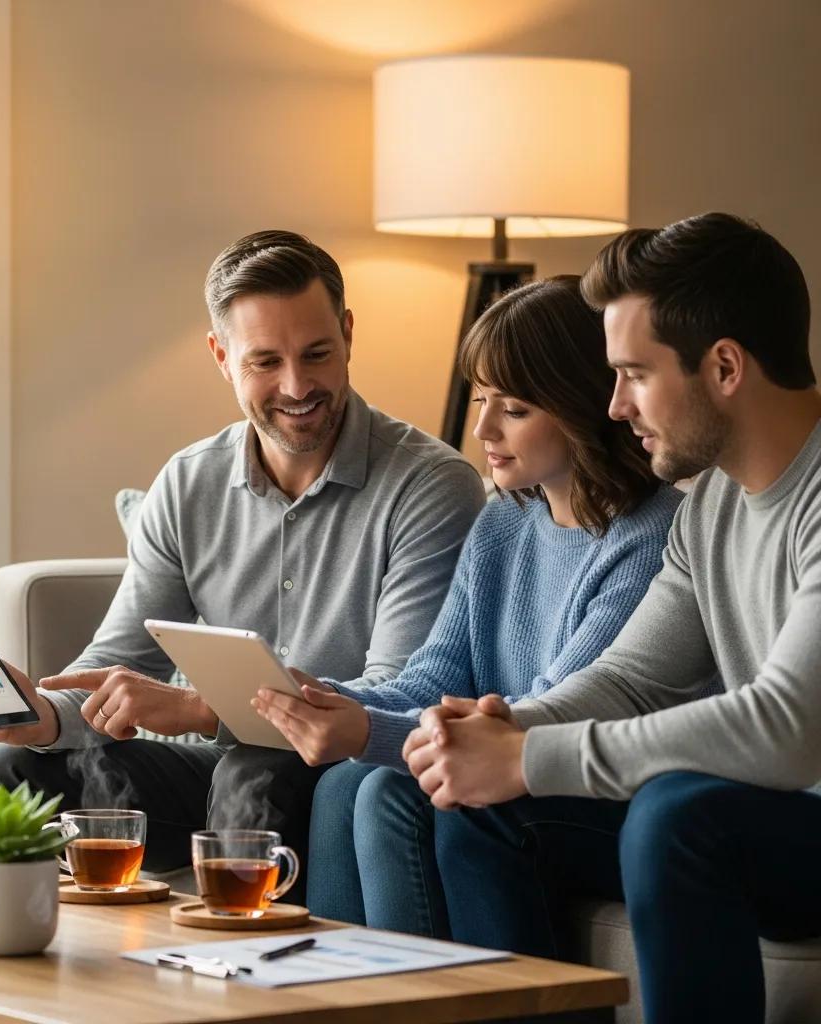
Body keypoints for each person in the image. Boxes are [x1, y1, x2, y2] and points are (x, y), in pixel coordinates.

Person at [0, 230, 485, 900]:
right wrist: (43, 716)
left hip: (339, 773)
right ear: (221, 356)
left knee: (255, 768)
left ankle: (236, 961)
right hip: (210, 771)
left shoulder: (431, 486)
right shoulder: (189, 482)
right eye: (265, 361)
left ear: (349, 334)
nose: (297, 386)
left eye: (317, 354)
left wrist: (202, 709)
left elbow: (399, 692)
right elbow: (119, 662)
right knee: (4, 773)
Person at [401, 213, 821, 1024]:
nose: (617, 405)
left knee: (678, 815)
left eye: (633, 374)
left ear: (724, 367)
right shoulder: (713, 505)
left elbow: (788, 726)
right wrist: (503, 730)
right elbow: (632, 678)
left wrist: (532, 756)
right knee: (484, 810)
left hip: (793, 817)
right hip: (771, 821)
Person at [253, 275, 683, 932]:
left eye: (514, 409)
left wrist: (368, 732)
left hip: (598, 787)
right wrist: (327, 702)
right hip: (508, 762)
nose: (482, 427)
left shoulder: (650, 537)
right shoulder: (504, 519)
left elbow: (554, 712)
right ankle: (337, 986)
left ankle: (429, 988)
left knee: (391, 791)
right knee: (341, 783)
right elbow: (435, 676)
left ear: (585, 405)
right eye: (482, 399)